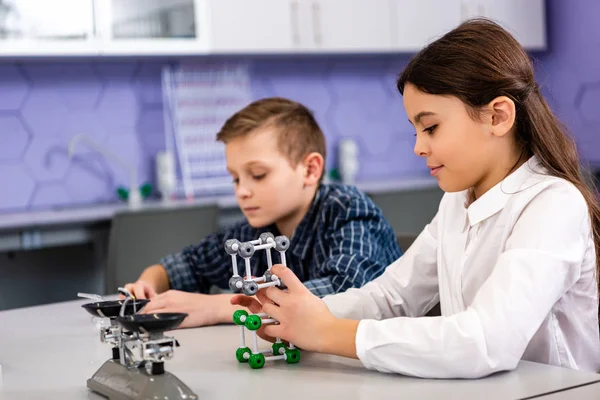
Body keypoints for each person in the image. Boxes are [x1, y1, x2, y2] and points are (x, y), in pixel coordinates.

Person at [232, 19, 600, 378]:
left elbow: (487, 341)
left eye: (431, 127)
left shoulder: (554, 203)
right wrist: (302, 314)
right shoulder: (459, 201)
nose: (419, 147)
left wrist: (327, 332)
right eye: (415, 131)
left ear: (498, 116)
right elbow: (392, 296)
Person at [125, 97, 402, 328]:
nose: (242, 191)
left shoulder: (349, 209)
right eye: (235, 178)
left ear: (310, 170)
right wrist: (148, 283)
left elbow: (349, 295)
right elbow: (186, 264)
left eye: (258, 175)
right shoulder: (256, 229)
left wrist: (223, 307)